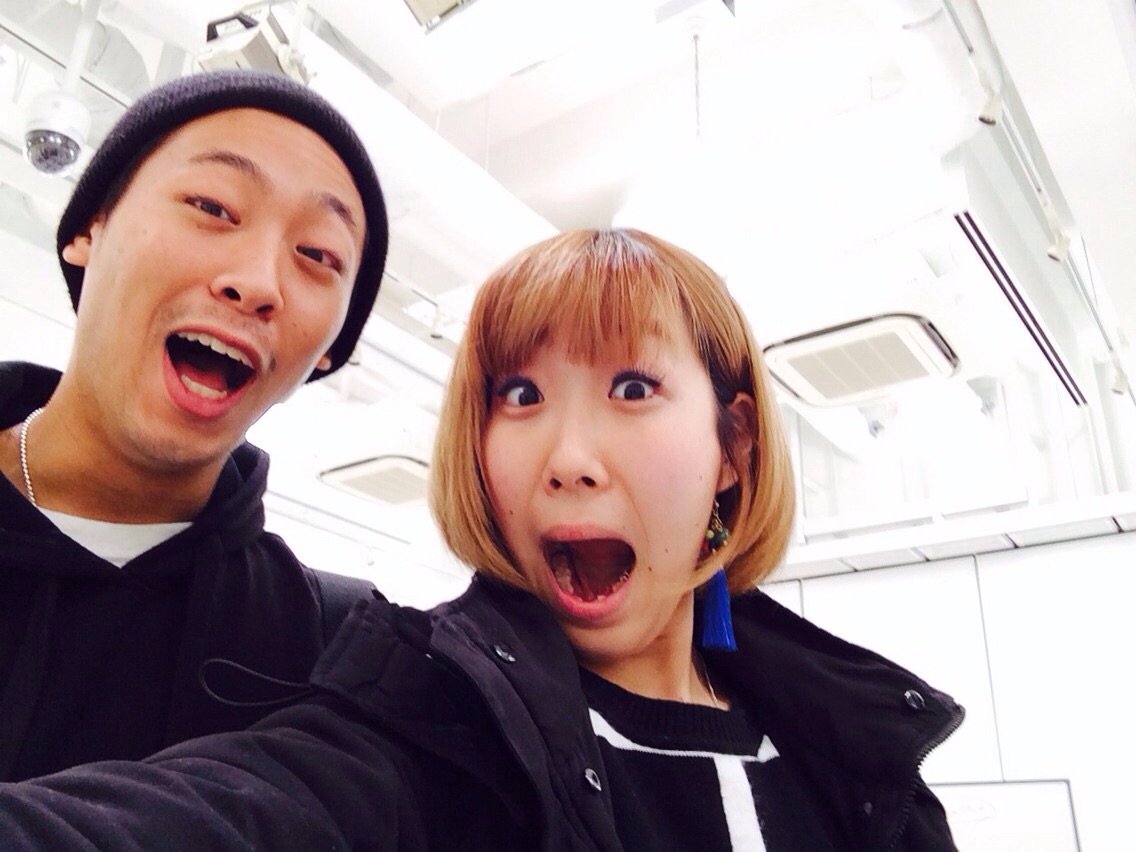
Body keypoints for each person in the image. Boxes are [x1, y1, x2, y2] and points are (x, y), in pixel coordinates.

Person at [0, 229, 962, 850]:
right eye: (522, 394)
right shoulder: (430, 717)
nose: (569, 458)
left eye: (633, 388)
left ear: (733, 447)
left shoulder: (859, 761)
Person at [0, 69, 387, 781]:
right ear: (88, 229)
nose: (259, 282)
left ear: (329, 351)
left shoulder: (328, 653)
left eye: (317, 256)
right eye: (212, 205)